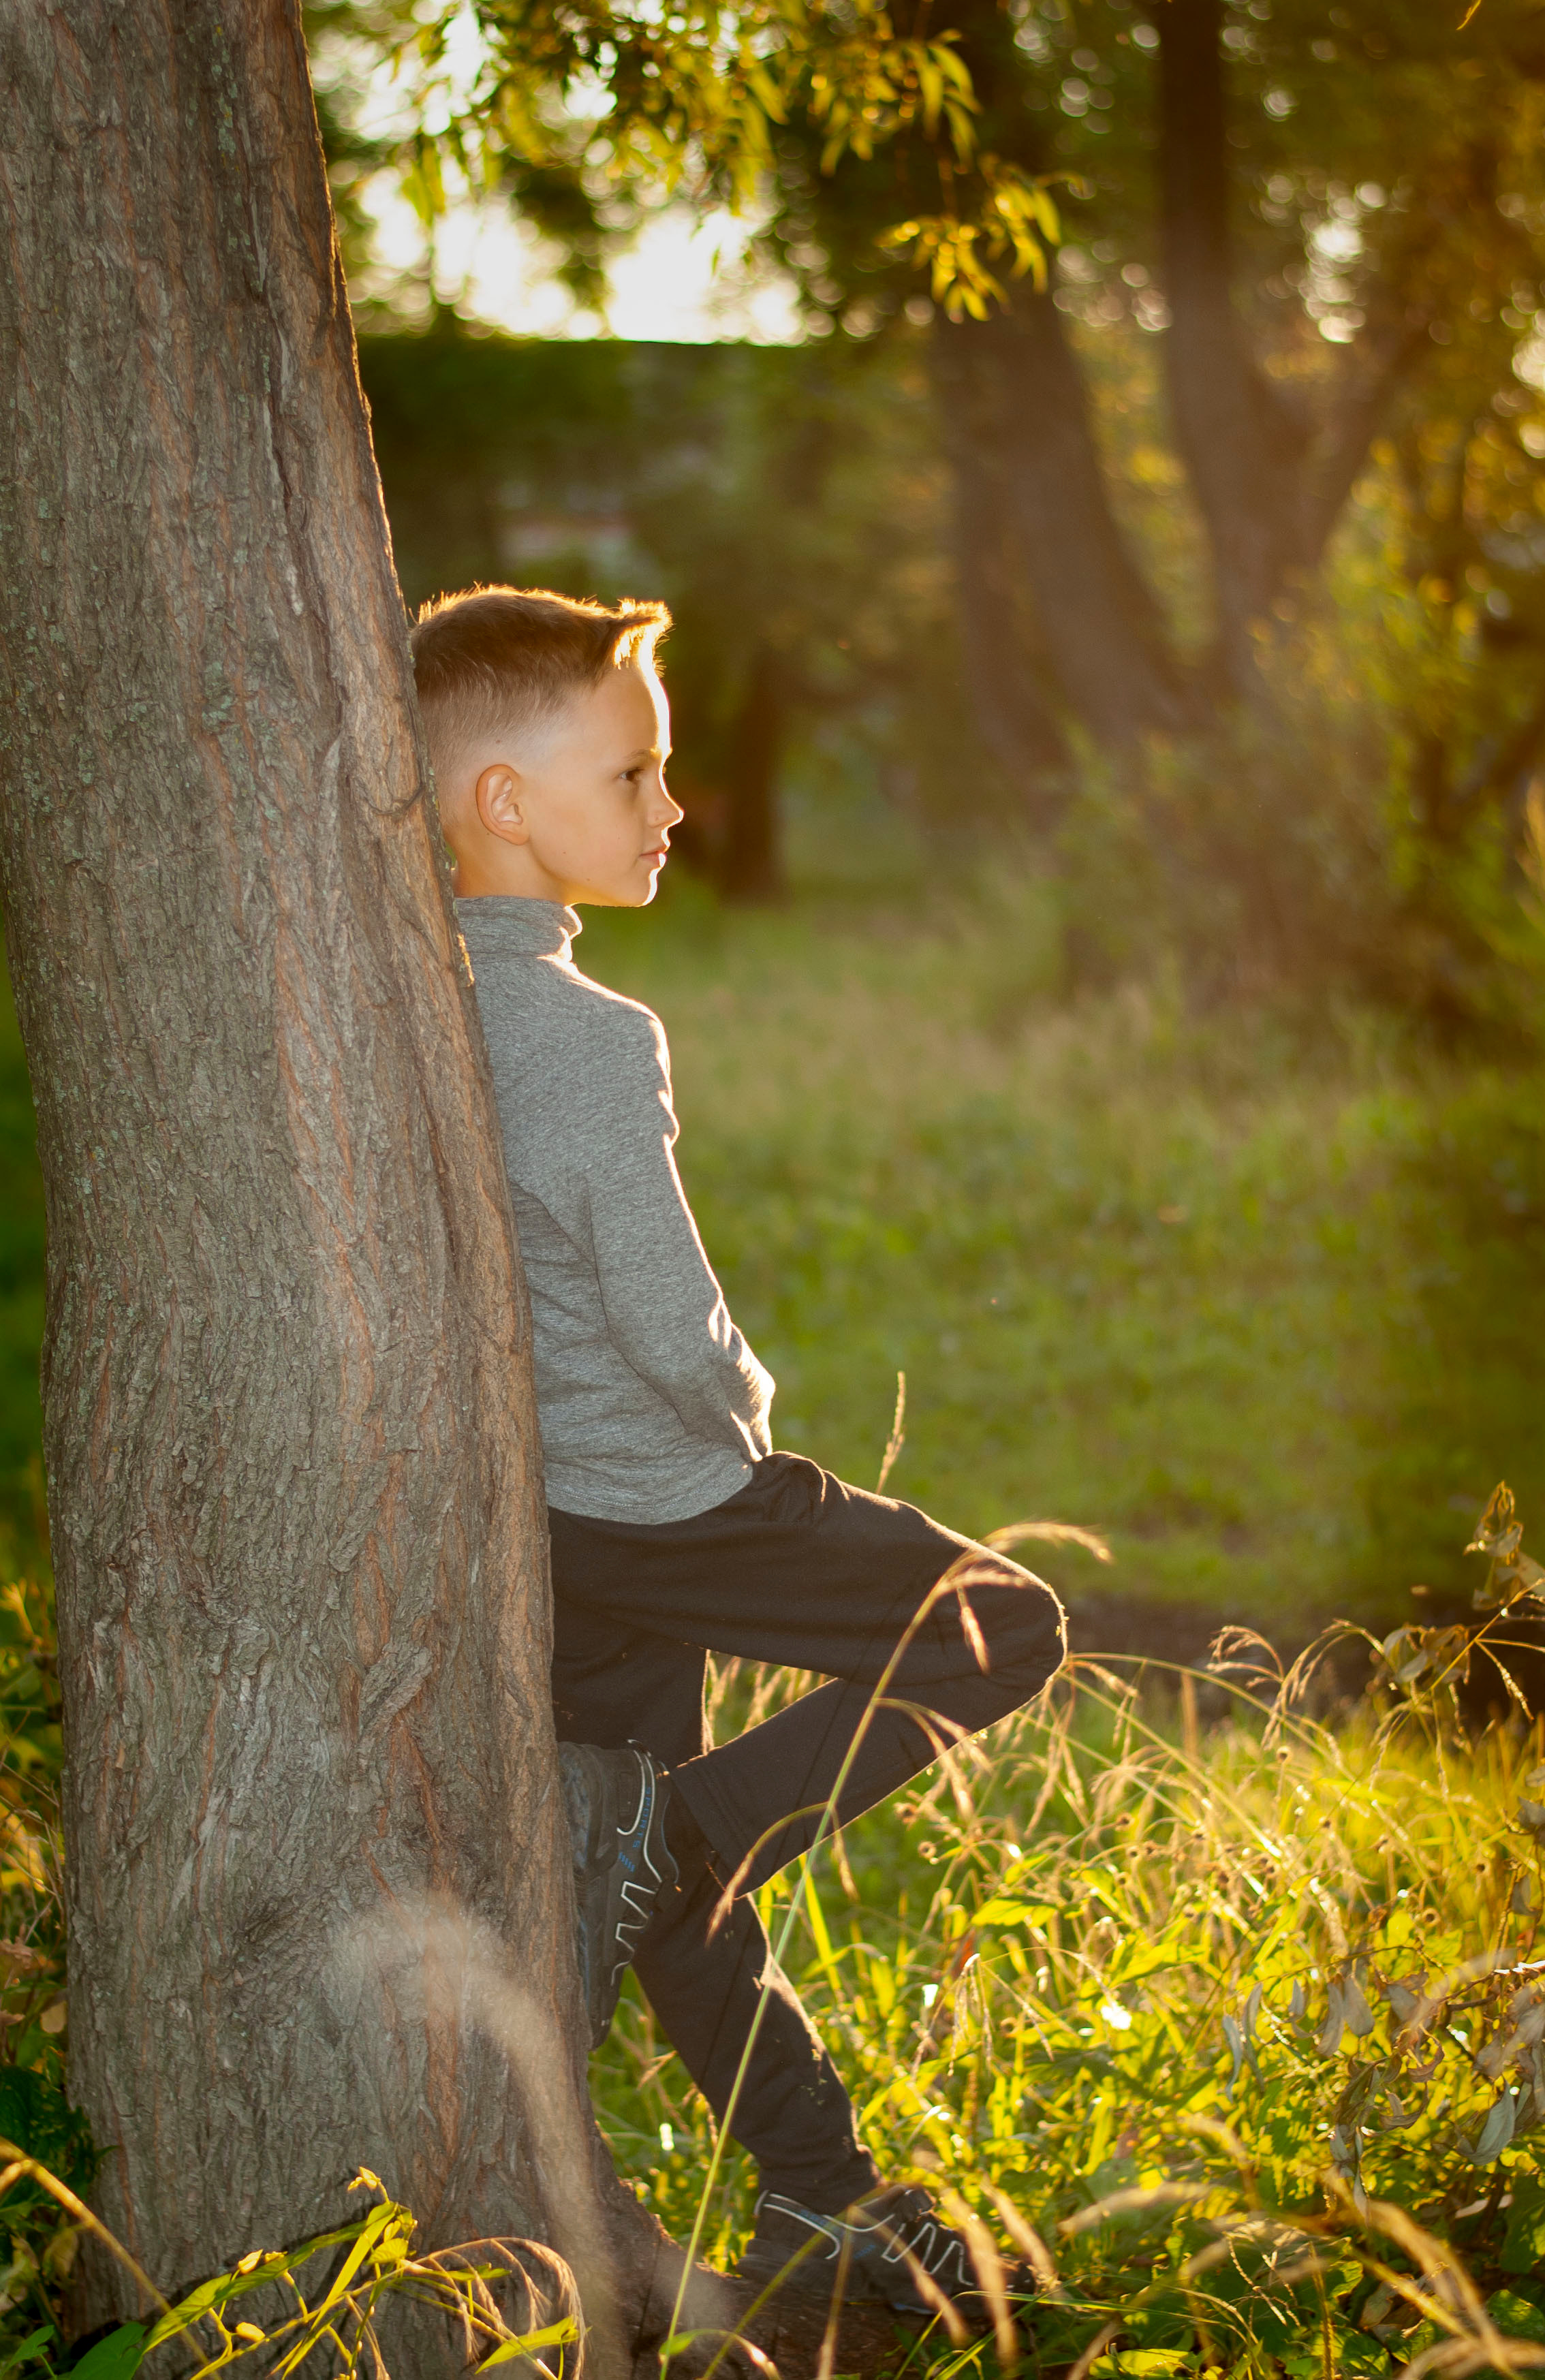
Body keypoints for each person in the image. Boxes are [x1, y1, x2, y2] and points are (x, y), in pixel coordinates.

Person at [410, 584, 1067, 2321]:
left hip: (541, 1522)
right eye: (632, 772)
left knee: (653, 1866)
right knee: (1009, 1627)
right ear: (502, 803)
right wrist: (745, 1413)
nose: (670, 806)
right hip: (667, 1494)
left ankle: (824, 2195)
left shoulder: (403, 1007)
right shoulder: (592, 1041)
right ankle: (677, 1839)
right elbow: (662, 1312)